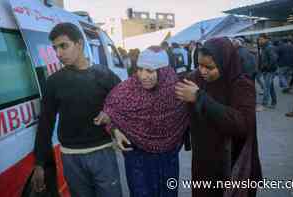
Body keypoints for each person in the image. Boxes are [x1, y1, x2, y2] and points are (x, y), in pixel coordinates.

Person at [31, 23, 122, 197]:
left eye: (63, 46)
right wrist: (40, 163)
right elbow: (45, 123)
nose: (58, 54)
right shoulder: (54, 82)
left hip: (103, 154)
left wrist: (111, 116)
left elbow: (125, 105)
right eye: (55, 48)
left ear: (79, 44)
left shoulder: (104, 75)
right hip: (71, 158)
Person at [96, 46, 190, 197]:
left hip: (168, 160)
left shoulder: (177, 92)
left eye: (150, 71)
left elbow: (187, 116)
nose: (143, 76)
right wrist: (114, 128)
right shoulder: (127, 89)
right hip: (138, 160)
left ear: (163, 71)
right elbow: (110, 111)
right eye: (140, 69)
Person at [175, 38, 262, 197]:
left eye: (210, 67)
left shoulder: (241, 85)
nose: (203, 71)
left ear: (225, 63)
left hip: (231, 160)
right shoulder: (196, 78)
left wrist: (200, 98)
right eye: (200, 65)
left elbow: (242, 124)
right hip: (204, 159)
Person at [258, 34, 278, 109]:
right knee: (270, 87)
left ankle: (264, 104)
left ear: (266, 39)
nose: (259, 41)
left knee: (267, 87)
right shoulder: (264, 47)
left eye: (261, 39)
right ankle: (274, 102)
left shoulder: (269, 47)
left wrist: (267, 68)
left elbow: (274, 59)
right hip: (267, 70)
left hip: (270, 71)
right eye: (259, 39)